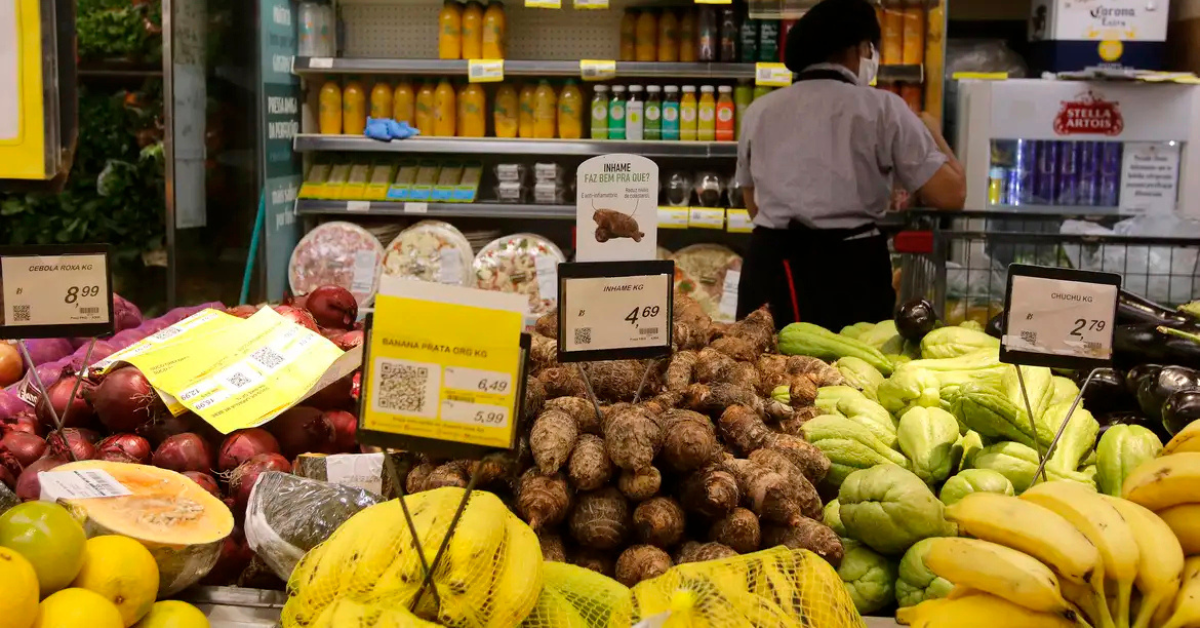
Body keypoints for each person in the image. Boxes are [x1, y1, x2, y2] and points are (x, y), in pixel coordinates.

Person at [734, 0, 965, 331]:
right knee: (853, 373)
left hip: (772, 266)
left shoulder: (760, 110)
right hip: (852, 268)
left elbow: (752, 203)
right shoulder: (882, 108)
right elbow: (951, 194)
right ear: (860, 48)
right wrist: (933, 132)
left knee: (763, 371)